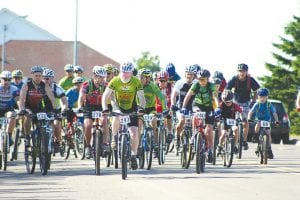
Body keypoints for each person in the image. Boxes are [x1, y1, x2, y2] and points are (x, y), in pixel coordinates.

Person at [102, 61, 146, 170]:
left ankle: (133, 156)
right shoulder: (115, 80)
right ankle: (114, 137)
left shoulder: (136, 81)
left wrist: (142, 108)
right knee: (116, 116)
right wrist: (105, 108)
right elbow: (105, 96)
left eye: (127, 72)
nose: (125, 74)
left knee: (134, 134)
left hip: (132, 107)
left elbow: (141, 97)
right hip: (118, 106)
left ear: (131, 72)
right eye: (123, 72)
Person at [181, 69, 218, 163]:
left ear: (207, 79)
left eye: (203, 79)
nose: (201, 81)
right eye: (200, 79)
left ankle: (210, 149)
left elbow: (215, 97)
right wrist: (184, 107)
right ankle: (194, 134)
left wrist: (217, 108)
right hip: (197, 105)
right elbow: (188, 96)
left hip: (209, 107)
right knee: (195, 115)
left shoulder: (211, 86)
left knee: (209, 129)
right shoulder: (196, 84)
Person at [18, 66, 57, 150]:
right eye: (36, 76)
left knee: (42, 123)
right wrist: (22, 109)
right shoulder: (27, 85)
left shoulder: (44, 85)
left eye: (40, 76)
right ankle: (27, 136)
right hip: (28, 107)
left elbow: (52, 98)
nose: (38, 78)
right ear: (32, 75)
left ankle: (41, 139)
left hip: (39, 108)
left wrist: (56, 109)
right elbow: (22, 99)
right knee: (27, 117)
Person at [226, 63, 260, 150]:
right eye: (240, 71)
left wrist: (254, 101)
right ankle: (232, 137)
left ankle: (244, 141)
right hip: (235, 102)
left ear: (246, 72)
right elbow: (226, 89)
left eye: (243, 71)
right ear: (237, 71)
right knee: (234, 122)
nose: (242, 73)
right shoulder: (234, 79)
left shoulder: (250, 80)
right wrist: (227, 99)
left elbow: (256, 90)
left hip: (246, 102)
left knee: (245, 122)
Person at [78, 66, 108, 159]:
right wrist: (80, 107)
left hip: (101, 106)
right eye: (101, 77)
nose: (103, 79)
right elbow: (81, 97)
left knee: (104, 121)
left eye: (104, 77)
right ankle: (88, 146)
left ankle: (104, 144)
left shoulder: (106, 85)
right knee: (87, 125)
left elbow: (113, 97)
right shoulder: (87, 85)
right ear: (95, 76)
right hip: (89, 107)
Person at [137, 68, 167, 157]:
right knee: (139, 124)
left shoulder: (152, 85)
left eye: (143, 77)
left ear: (148, 78)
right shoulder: (136, 85)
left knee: (153, 121)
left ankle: (156, 145)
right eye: (140, 77)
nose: (140, 79)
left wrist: (165, 109)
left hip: (150, 109)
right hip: (140, 109)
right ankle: (138, 147)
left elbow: (161, 97)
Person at [170, 65, 198, 149]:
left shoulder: (197, 83)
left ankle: (194, 139)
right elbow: (173, 96)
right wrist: (173, 104)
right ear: (185, 74)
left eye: (191, 74)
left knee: (197, 121)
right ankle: (177, 137)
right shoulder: (180, 83)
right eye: (187, 74)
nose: (189, 76)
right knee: (182, 121)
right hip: (181, 106)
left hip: (192, 106)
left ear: (194, 75)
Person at [247, 88, 279, 159]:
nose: (262, 99)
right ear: (258, 97)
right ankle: (255, 135)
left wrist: (277, 120)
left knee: (268, 133)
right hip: (258, 119)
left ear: (267, 97)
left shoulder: (269, 104)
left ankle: (269, 149)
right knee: (258, 124)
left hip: (267, 120)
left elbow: (274, 113)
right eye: (261, 97)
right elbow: (250, 112)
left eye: (264, 97)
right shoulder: (257, 104)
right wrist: (249, 118)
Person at [42, 68, 68, 152]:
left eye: (47, 78)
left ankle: (57, 142)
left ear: (52, 78)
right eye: (43, 78)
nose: (45, 80)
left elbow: (64, 101)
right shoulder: (38, 87)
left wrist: (63, 110)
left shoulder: (56, 87)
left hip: (54, 109)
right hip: (41, 109)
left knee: (56, 124)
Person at [215, 90, 245, 155]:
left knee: (236, 129)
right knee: (224, 133)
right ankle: (220, 146)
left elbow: (241, 112)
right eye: (226, 102)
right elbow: (217, 111)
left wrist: (243, 118)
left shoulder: (235, 105)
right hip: (224, 121)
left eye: (230, 101)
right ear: (223, 100)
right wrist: (217, 116)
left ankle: (235, 145)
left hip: (232, 121)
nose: (228, 103)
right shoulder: (221, 105)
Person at [0, 71, 20, 146]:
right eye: (5, 79)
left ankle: (9, 136)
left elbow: (18, 100)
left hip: (8, 109)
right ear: (1, 79)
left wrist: (21, 108)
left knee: (12, 115)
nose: (7, 81)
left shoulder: (14, 89)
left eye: (9, 79)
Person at [155, 70, 174, 144]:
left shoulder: (171, 86)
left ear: (167, 80)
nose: (162, 82)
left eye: (164, 81)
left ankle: (169, 132)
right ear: (157, 80)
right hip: (157, 106)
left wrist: (172, 107)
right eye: (160, 80)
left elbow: (174, 98)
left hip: (167, 106)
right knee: (155, 122)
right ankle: (155, 143)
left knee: (169, 115)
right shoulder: (154, 86)